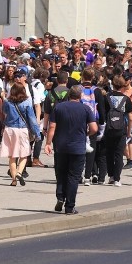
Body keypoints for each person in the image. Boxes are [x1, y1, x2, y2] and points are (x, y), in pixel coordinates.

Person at [44, 86, 98, 215]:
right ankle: (70, 206)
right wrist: (86, 134)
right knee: (73, 177)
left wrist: (48, 143)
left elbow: (52, 126)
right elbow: (94, 128)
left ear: (68, 96)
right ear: (80, 97)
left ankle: (60, 197)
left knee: (61, 173)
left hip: (61, 146)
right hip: (78, 147)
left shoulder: (59, 107)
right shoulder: (86, 109)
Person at [0, 82, 41, 185]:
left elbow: (4, 112)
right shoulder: (27, 102)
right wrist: (37, 133)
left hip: (9, 129)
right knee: (24, 154)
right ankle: (19, 172)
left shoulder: (7, 102)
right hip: (22, 129)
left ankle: (14, 180)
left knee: (12, 155)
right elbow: (31, 119)